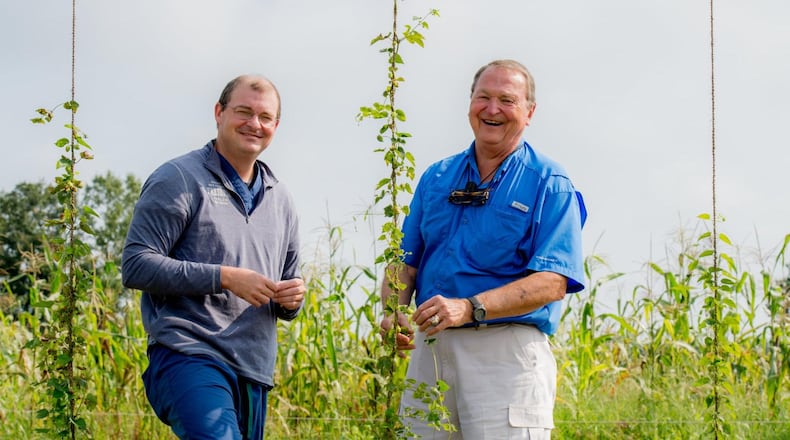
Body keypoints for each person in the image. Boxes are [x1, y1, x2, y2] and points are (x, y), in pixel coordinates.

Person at [380, 59, 587, 439]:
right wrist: (393, 310)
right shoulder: (436, 177)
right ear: (469, 103)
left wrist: (468, 307)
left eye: (507, 100)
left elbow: (553, 281)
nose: (492, 109)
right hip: (432, 350)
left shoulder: (549, 182)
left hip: (505, 355)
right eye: (483, 97)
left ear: (529, 112)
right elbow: (404, 262)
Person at [122, 74, 305, 440]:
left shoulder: (281, 199)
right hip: (189, 353)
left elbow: (289, 287)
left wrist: (292, 299)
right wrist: (224, 276)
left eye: (265, 117)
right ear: (219, 112)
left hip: (254, 369)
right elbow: (137, 264)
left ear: (276, 126)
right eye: (243, 112)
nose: (255, 124)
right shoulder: (178, 178)